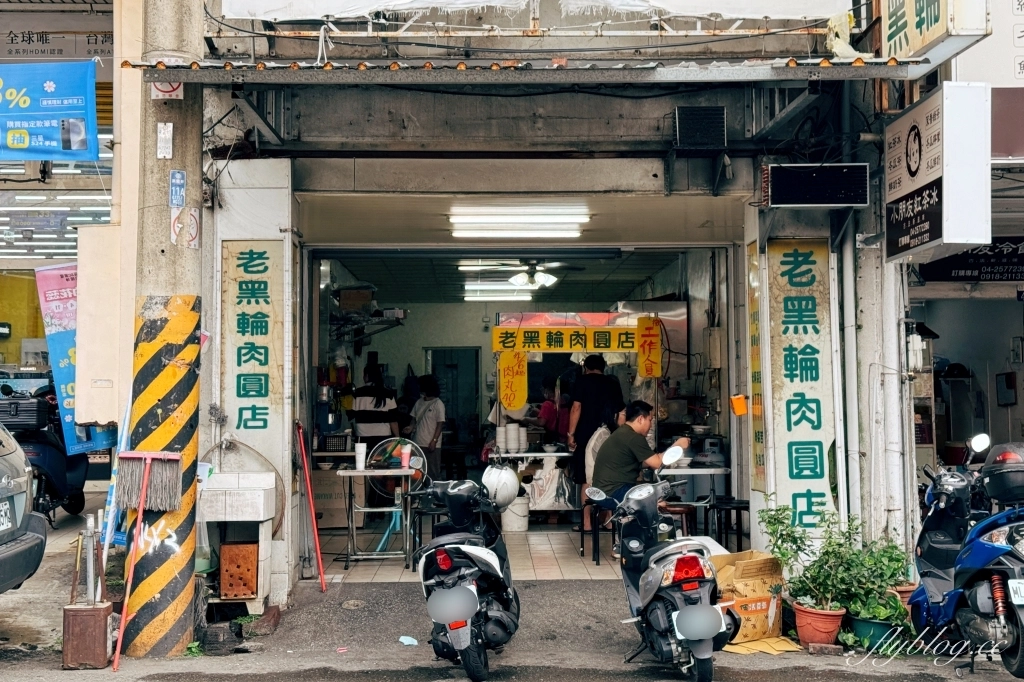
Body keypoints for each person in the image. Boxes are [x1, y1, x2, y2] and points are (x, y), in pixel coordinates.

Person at [592, 400, 689, 504]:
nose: (651, 425)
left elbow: (648, 461)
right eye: (650, 420)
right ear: (640, 419)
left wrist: (659, 456)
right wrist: (678, 445)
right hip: (614, 493)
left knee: (655, 496)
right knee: (658, 502)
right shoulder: (633, 437)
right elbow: (657, 463)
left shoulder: (624, 432)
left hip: (604, 491)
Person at [567, 355, 624, 487]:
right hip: (608, 434)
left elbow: (576, 408)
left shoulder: (581, 381)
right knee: (609, 473)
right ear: (603, 368)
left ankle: (586, 508)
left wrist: (571, 435)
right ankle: (607, 507)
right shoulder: (613, 383)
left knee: (586, 477)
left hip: (585, 434)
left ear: (586, 367)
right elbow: (621, 412)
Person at [577, 402, 626, 533]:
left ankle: (608, 521)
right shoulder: (605, 435)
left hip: (598, 477)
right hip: (596, 479)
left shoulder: (605, 431)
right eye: (624, 414)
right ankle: (608, 521)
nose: (626, 418)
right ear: (614, 415)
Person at [347, 364, 399, 451]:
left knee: (362, 463)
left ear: (367, 376)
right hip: (383, 438)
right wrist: (397, 438)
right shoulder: (388, 394)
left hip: (362, 438)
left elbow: (351, 415)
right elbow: (393, 420)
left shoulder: (357, 393)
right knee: (381, 463)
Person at [408, 374, 446, 480]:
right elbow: (414, 419)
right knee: (416, 472)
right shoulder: (419, 402)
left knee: (432, 472)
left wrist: (434, 440)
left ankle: (432, 494)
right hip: (417, 443)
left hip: (431, 444)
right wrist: (410, 427)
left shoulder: (438, 404)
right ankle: (418, 494)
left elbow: (440, 423)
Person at [522, 376, 569, 443]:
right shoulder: (563, 402)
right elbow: (555, 417)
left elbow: (541, 422)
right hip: (565, 439)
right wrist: (539, 413)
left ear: (548, 390)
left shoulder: (547, 404)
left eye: (543, 389)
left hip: (553, 439)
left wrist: (526, 419)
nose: (542, 391)